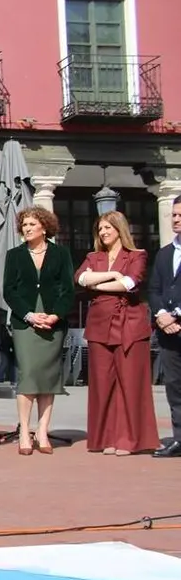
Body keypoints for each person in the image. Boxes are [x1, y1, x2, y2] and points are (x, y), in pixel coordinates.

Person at [74, 211, 159, 456]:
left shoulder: (137, 255)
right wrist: (111, 275)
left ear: (119, 229)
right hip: (99, 325)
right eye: (100, 229)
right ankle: (106, 438)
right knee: (102, 384)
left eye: (107, 228)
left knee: (131, 383)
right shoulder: (93, 256)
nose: (103, 232)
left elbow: (131, 283)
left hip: (130, 326)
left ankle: (130, 440)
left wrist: (96, 285)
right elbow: (80, 278)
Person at [2, 205, 75, 456]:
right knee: (29, 374)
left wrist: (55, 315)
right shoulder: (14, 255)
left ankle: (43, 431)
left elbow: (68, 288)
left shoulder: (61, 253)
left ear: (44, 227)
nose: (27, 228)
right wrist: (30, 315)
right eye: (24, 225)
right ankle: (25, 431)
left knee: (48, 377)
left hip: (53, 321)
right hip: (26, 322)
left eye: (32, 224)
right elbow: (9, 290)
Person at [148, 194, 181, 459]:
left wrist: (176, 315)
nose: (177, 220)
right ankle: (179, 439)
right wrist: (160, 313)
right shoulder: (164, 253)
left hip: (177, 322)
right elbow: (155, 288)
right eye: (174, 215)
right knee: (174, 386)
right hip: (167, 332)